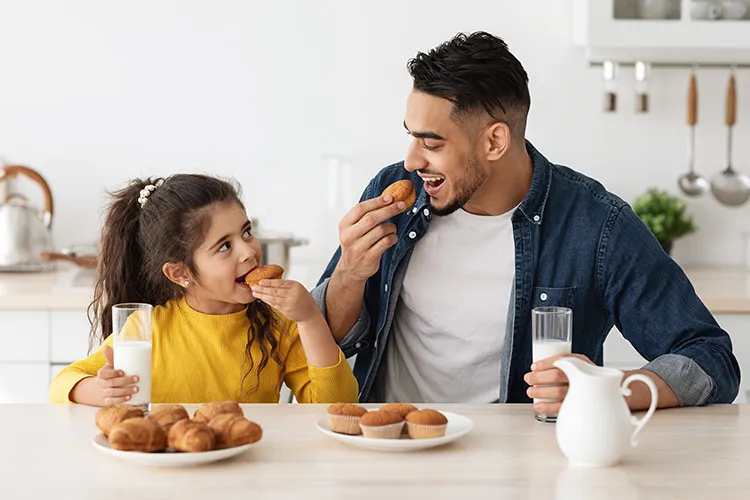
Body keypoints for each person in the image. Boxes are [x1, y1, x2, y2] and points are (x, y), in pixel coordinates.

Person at [312, 32, 740, 413]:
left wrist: (611, 390)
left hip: (523, 465)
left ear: (495, 141)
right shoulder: (393, 192)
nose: (412, 160)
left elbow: (710, 357)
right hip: (393, 446)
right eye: (411, 135)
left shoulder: (597, 226)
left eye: (432, 142)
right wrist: (350, 271)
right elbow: (324, 341)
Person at [50, 174, 357, 406]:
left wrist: (310, 320)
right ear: (180, 273)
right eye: (224, 246)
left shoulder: (279, 325)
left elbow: (333, 406)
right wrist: (97, 390)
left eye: (247, 232)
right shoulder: (149, 328)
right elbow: (62, 383)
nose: (248, 251)